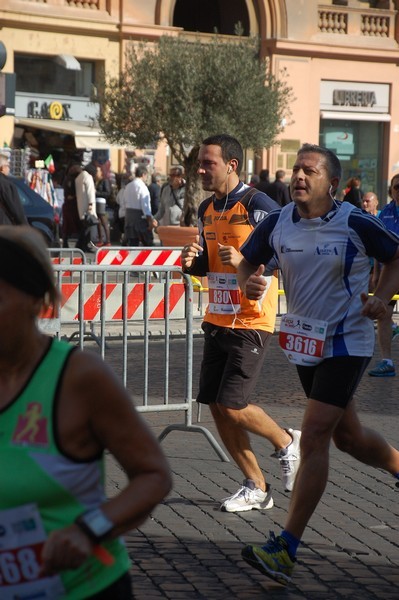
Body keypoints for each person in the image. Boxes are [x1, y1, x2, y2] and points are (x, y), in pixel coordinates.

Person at [237, 143, 399, 586]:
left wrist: (382, 298)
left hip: (348, 341)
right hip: (305, 345)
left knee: (314, 437)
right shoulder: (277, 222)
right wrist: (250, 284)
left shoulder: (355, 221)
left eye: (310, 171)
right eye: (296, 169)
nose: (299, 177)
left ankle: (285, 549)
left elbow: (396, 257)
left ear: (331, 182)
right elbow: (248, 262)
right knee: (348, 437)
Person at [0, 225, 172, 598]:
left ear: (35, 298)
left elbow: (154, 475)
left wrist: (89, 528)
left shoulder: (79, 377)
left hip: (83, 588)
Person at [180, 134, 301, 513]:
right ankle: (255, 486)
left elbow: (284, 252)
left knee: (232, 404)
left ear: (231, 165)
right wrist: (192, 260)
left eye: (208, 163)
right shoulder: (206, 208)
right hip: (217, 316)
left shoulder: (258, 204)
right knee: (216, 405)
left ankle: (285, 440)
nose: (200, 170)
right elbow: (209, 263)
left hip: (252, 319)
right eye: (199, 163)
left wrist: (244, 263)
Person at [368, 173, 399, 376]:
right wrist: (376, 273)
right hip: (390, 270)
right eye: (397, 187)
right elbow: (379, 246)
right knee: (383, 313)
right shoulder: (386, 212)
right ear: (391, 189)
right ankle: (386, 361)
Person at [124, 166, 156, 246]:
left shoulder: (128, 186)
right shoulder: (142, 187)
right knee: (148, 244)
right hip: (140, 218)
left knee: (132, 244)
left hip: (129, 217)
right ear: (143, 174)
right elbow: (145, 206)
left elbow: (124, 202)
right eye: (146, 176)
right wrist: (150, 220)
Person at [75, 164, 98, 252]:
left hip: (80, 206)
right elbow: (90, 192)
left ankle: (80, 245)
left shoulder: (79, 177)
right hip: (88, 206)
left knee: (84, 227)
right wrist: (91, 205)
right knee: (87, 228)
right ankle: (83, 245)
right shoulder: (88, 177)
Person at [0, 152, 28, 225]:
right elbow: (17, 211)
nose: (9, 169)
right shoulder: (6, 184)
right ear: (2, 168)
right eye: (8, 166)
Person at [62, 164, 81, 248]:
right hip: (71, 206)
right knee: (70, 225)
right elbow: (69, 194)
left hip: (69, 206)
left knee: (67, 226)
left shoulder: (68, 179)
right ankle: (66, 243)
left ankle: (66, 243)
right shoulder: (70, 180)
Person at [92, 164, 112, 247]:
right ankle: (101, 239)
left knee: (103, 221)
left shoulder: (104, 181)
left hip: (101, 202)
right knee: (98, 222)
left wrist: (97, 192)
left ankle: (108, 240)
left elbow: (107, 192)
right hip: (96, 201)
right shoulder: (96, 181)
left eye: (98, 171)